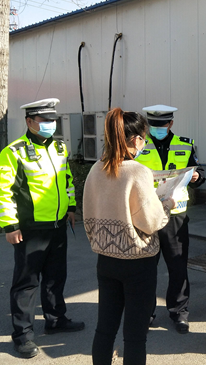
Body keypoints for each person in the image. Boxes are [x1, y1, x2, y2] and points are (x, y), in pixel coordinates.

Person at [0, 98, 85, 359]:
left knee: (56, 277)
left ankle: (56, 320)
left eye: (52, 120)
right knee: (27, 284)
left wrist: (70, 207)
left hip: (57, 225)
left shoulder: (59, 147)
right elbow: (3, 192)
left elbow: (66, 180)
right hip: (30, 229)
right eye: (44, 120)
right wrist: (10, 225)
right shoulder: (14, 152)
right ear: (29, 121)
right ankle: (22, 335)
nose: (50, 124)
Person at [83, 108, 172, 365]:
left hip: (105, 260)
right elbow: (151, 222)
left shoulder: (96, 169)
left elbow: (88, 214)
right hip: (138, 261)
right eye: (144, 138)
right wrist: (167, 204)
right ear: (135, 140)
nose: (144, 143)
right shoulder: (137, 171)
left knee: (105, 329)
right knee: (134, 336)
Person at [135, 104, 206, 334]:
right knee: (146, 268)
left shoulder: (185, 144)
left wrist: (196, 176)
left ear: (171, 124)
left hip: (175, 216)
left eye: (162, 125)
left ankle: (179, 313)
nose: (157, 129)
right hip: (147, 215)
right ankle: (145, 312)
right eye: (153, 125)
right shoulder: (139, 146)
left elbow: (200, 175)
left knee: (178, 267)